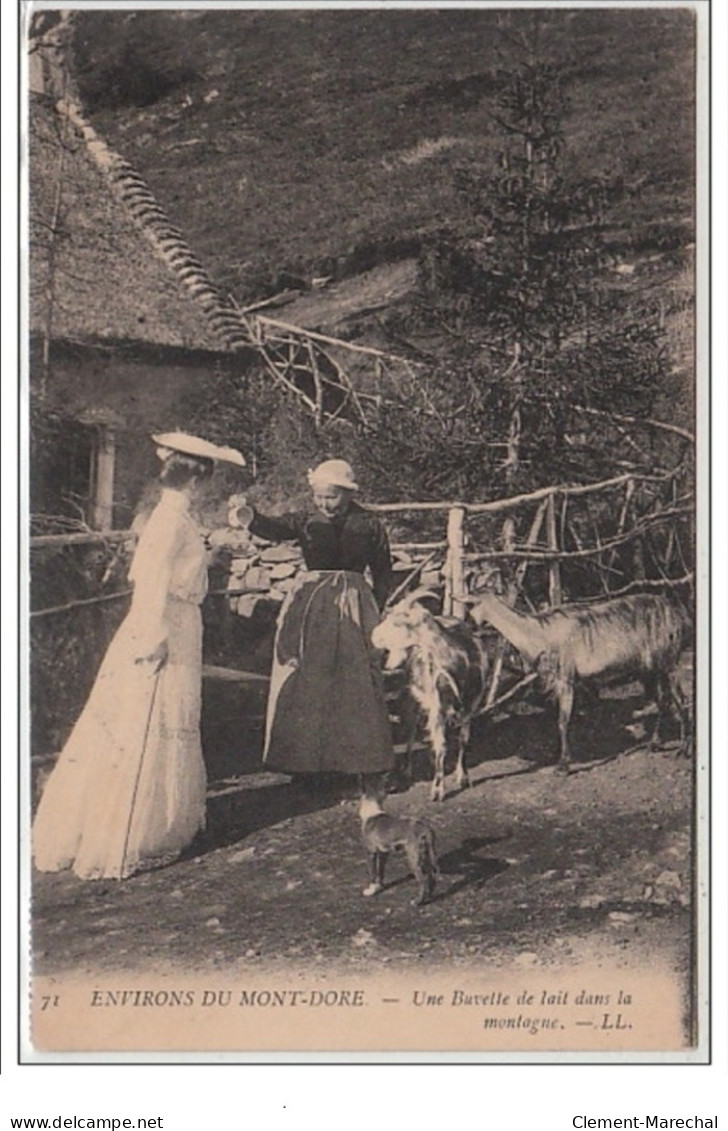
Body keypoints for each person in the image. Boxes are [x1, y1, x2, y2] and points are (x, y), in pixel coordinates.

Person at [32, 432, 245, 880]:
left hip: (179, 620)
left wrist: (212, 551)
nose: (206, 489)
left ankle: (160, 822)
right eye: (205, 480)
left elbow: (178, 568)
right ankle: (136, 830)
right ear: (195, 480)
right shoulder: (169, 520)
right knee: (147, 719)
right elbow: (150, 578)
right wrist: (154, 635)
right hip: (164, 624)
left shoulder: (176, 516)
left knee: (171, 718)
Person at [233, 459, 395, 784]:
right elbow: (275, 528)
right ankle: (306, 764)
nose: (324, 503)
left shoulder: (368, 524)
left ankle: (356, 761)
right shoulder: (306, 519)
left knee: (354, 680)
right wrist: (249, 516)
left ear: (348, 494)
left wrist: (377, 608)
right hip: (314, 605)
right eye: (319, 497)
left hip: (353, 604)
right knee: (310, 677)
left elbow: (382, 569)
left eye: (331, 497)